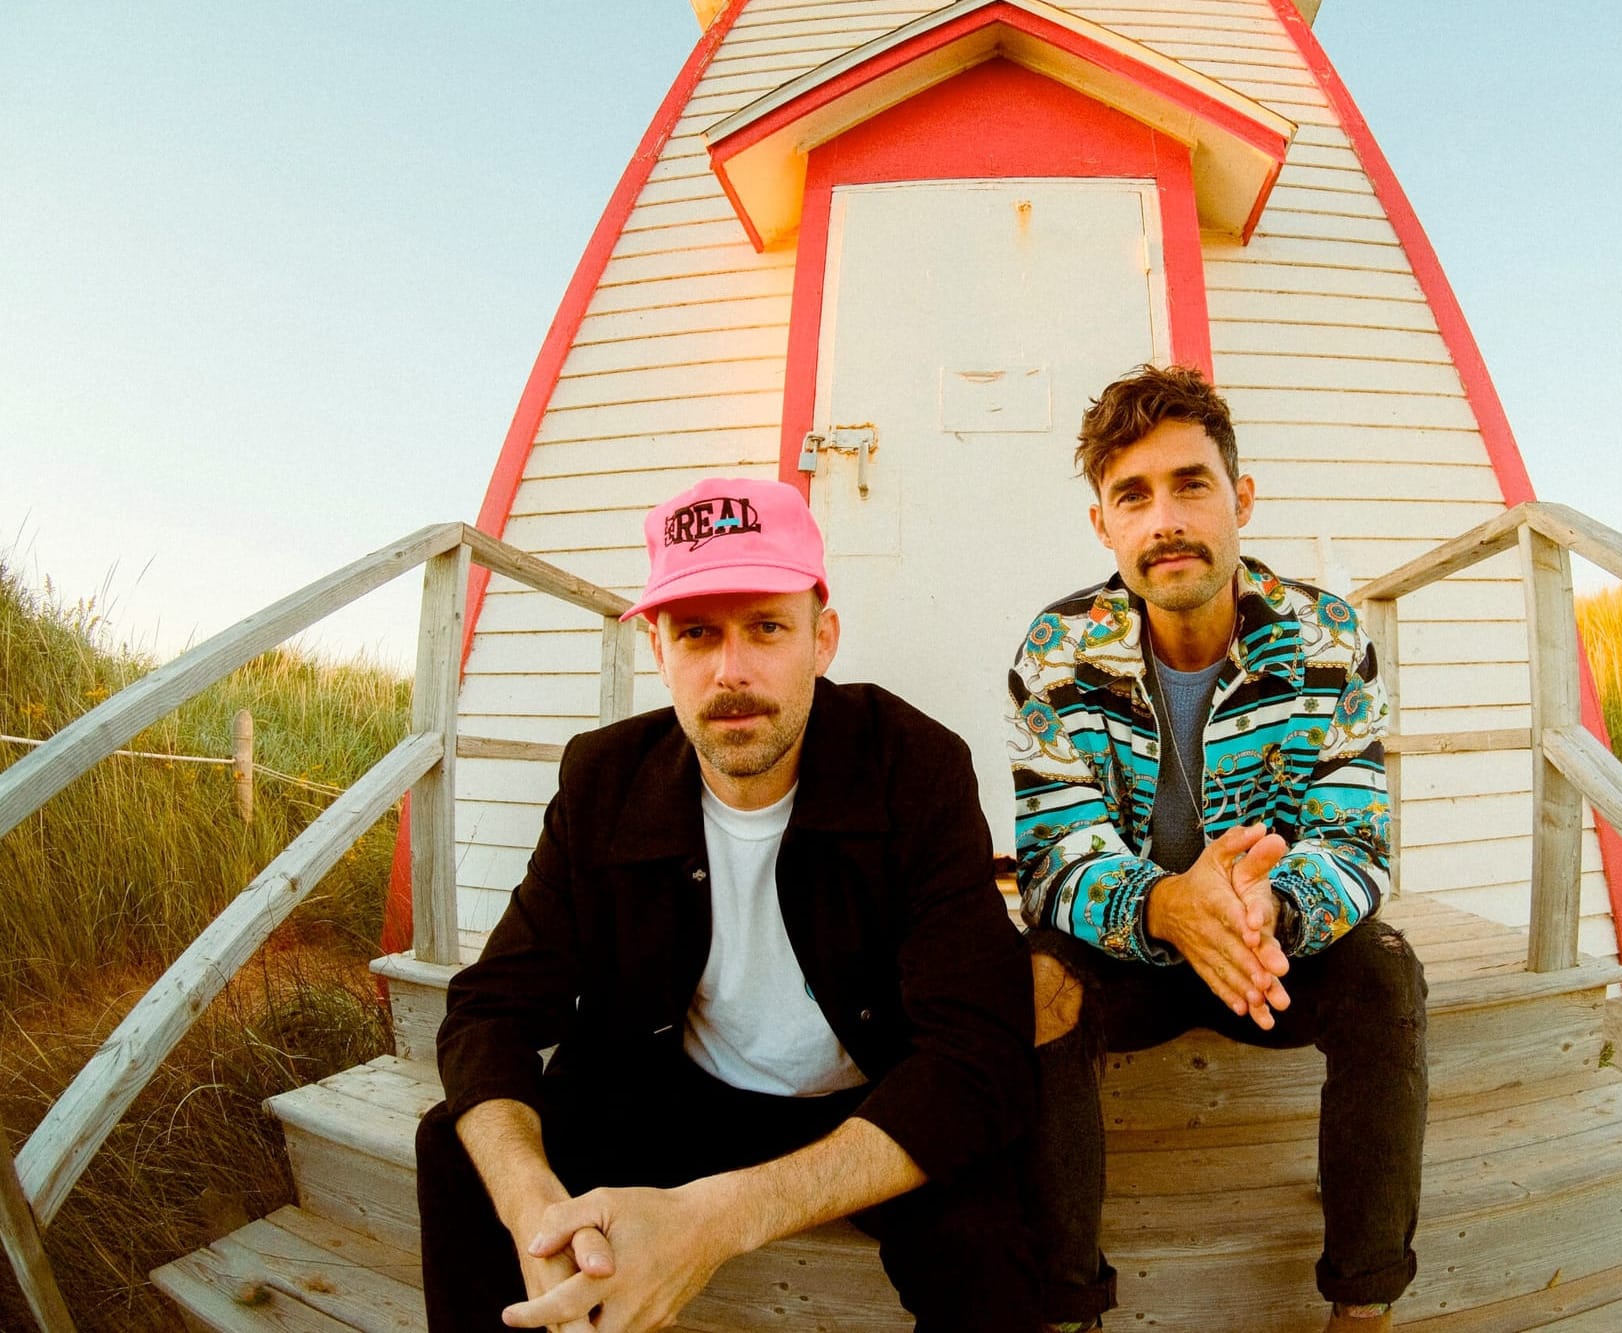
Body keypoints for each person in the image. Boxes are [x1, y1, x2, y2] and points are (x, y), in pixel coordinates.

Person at [418, 476, 1038, 1332]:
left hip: (868, 1104)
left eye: (767, 628)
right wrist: (533, 1209)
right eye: (697, 633)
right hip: (676, 1089)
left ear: (822, 639)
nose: (732, 670)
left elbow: (977, 1058)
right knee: (460, 1149)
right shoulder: (603, 779)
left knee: (987, 1244)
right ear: (658, 650)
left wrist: (718, 1220)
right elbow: (488, 1010)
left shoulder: (915, 766)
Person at [1006, 366, 1428, 1332]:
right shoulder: (1057, 649)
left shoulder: (1328, 637)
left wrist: (1264, 909)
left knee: (1386, 978)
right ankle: (1067, 1301)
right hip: (1132, 950)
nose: (1166, 520)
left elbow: (1357, 837)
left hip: (1270, 950)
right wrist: (1168, 908)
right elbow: (1053, 856)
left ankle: (1364, 1304)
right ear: (1103, 525)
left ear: (1240, 497)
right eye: (1133, 495)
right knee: (1036, 984)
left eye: (1191, 484)